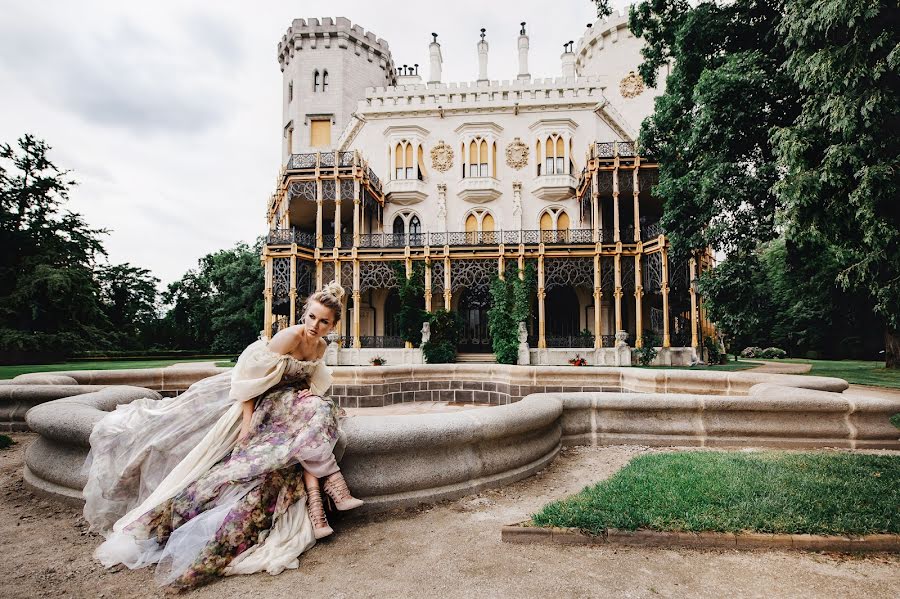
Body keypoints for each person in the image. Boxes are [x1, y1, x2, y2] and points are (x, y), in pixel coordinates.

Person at [82, 282, 362, 589]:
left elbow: (307, 380)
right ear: (304, 313)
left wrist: (306, 392)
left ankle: (317, 501)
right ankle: (329, 487)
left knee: (320, 411)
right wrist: (246, 425)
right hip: (263, 402)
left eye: (323, 322)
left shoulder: (321, 347)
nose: (314, 325)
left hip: (289, 405)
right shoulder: (290, 336)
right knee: (318, 416)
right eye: (311, 317)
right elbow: (249, 381)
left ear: (333, 325)